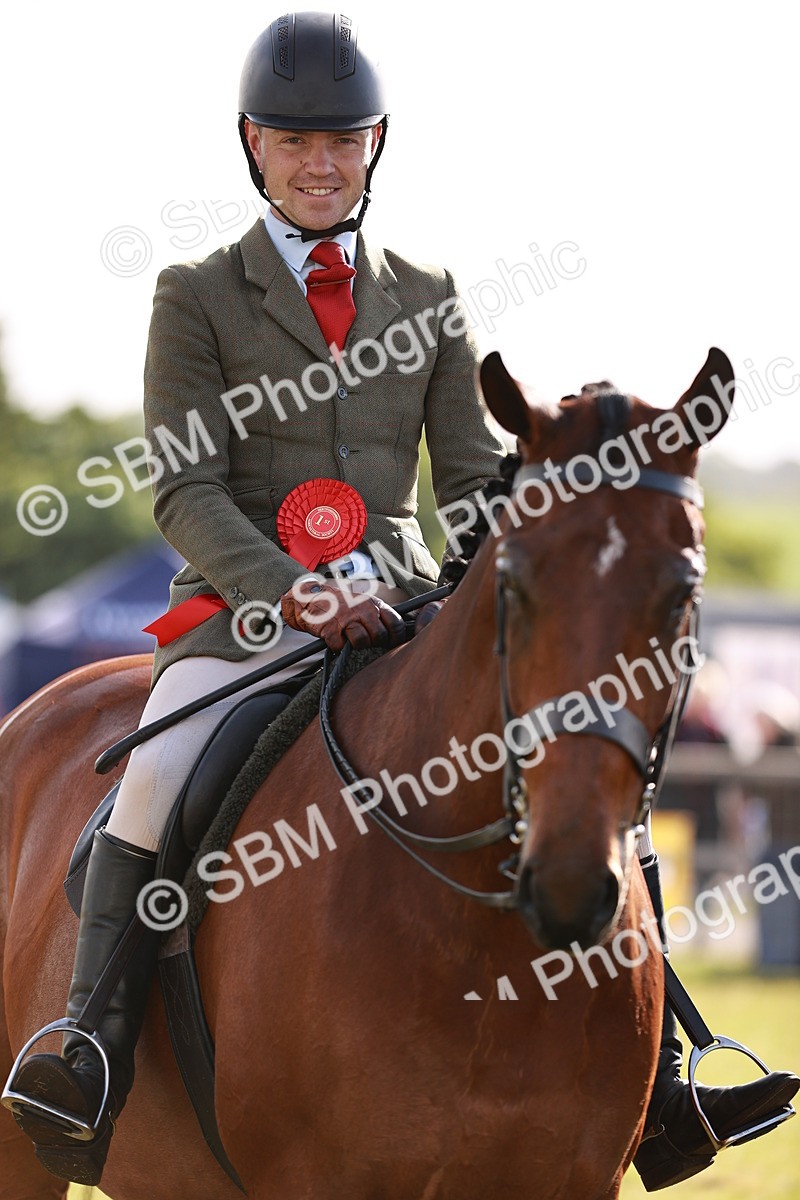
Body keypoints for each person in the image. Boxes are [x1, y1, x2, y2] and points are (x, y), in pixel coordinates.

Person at [5, 11, 798, 1191]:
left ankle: (666, 1070)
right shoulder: (195, 295)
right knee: (156, 784)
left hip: (403, 609)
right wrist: (291, 592)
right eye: (292, 142)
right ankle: (85, 1046)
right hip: (242, 617)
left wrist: (492, 551)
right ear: (251, 147)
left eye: (342, 142)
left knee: (563, 766)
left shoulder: (426, 295)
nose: (318, 164)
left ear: (374, 146)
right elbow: (182, 480)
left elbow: (471, 479)